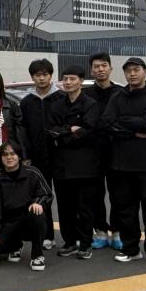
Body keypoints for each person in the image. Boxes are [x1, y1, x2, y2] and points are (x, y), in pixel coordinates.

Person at [100, 57, 146, 265]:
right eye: (128, 71)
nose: (132, 74)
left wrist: (124, 124)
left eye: (136, 70)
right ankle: (130, 249)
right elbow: (107, 123)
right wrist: (134, 130)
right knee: (125, 209)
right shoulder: (117, 97)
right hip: (121, 164)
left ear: (145, 72)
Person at [46, 65, 102, 260]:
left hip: (85, 165)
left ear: (81, 81)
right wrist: (70, 130)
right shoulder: (56, 105)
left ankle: (85, 244)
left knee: (85, 207)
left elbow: (89, 132)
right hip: (61, 166)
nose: (68, 82)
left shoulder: (91, 105)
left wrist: (63, 135)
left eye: (72, 79)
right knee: (65, 207)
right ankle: (69, 242)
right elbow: (51, 130)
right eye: (65, 79)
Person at [0, 142, 53, 271]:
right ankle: (15, 246)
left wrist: (37, 202)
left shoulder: (33, 172)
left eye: (12, 154)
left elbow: (46, 194)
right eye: (5, 154)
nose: (9, 157)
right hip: (8, 221)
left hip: (28, 218)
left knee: (37, 213)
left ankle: (37, 255)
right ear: (0, 157)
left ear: (19, 156)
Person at [19, 58, 63, 250]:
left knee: (65, 198)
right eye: (37, 75)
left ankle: (72, 238)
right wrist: (25, 155)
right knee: (41, 197)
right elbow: (23, 131)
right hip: (36, 158)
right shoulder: (27, 102)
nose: (42, 78)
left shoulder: (61, 98)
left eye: (45, 74)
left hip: (60, 157)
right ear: (32, 77)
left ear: (51, 75)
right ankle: (47, 236)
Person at [83, 52, 122, 250]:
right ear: (91, 71)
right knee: (95, 194)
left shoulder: (121, 93)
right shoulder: (86, 94)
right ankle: (99, 230)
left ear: (110, 68)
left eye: (104, 65)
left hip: (117, 151)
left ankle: (117, 231)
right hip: (92, 152)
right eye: (96, 66)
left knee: (118, 194)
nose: (100, 69)